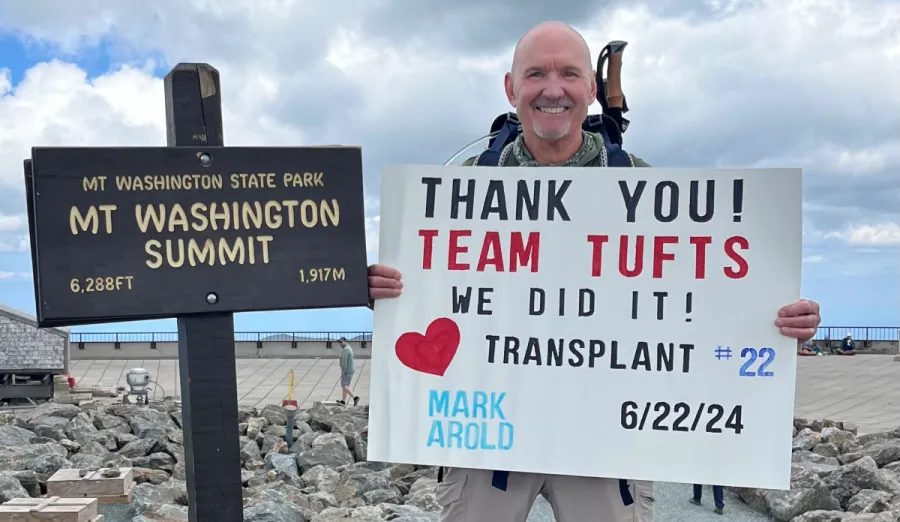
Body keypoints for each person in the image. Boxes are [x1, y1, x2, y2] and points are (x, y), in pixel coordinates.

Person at [367, 20, 822, 522]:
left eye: (569, 73)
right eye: (536, 74)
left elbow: (701, 296)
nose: (553, 89)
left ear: (591, 88)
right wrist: (387, 291)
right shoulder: (463, 182)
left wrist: (774, 320)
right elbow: (427, 287)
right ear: (511, 88)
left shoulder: (639, 182)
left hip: (605, 440)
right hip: (487, 435)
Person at [337, 337, 360, 406]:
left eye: (341, 342)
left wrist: (343, 370)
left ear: (345, 341)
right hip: (350, 370)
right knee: (345, 385)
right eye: (339, 342)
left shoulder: (346, 350)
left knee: (344, 385)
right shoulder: (348, 348)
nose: (340, 344)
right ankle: (343, 401)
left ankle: (355, 398)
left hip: (347, 370)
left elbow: (344, 361)